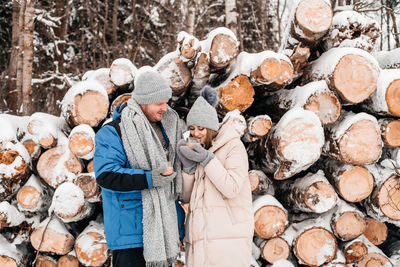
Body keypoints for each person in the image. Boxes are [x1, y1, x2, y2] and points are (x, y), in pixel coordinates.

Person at [93, 68, 185, 267]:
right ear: (143, 102)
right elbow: (106, 175)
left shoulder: (168, 129)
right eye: (159, 103)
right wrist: (149, 178)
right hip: (130, 232)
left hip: (164, 230)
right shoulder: (113, 132)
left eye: (166, 103)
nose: (165, 109)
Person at [176, 96, 254, 267]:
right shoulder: (202, 151)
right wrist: (189, 169)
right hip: (200, 239)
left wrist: (208, 160)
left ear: (211, 128)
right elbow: (187, 197)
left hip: (227, 240)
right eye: (192, 129)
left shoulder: (233, 146)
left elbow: (232, 188)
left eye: (201, 128)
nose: (196, 134)